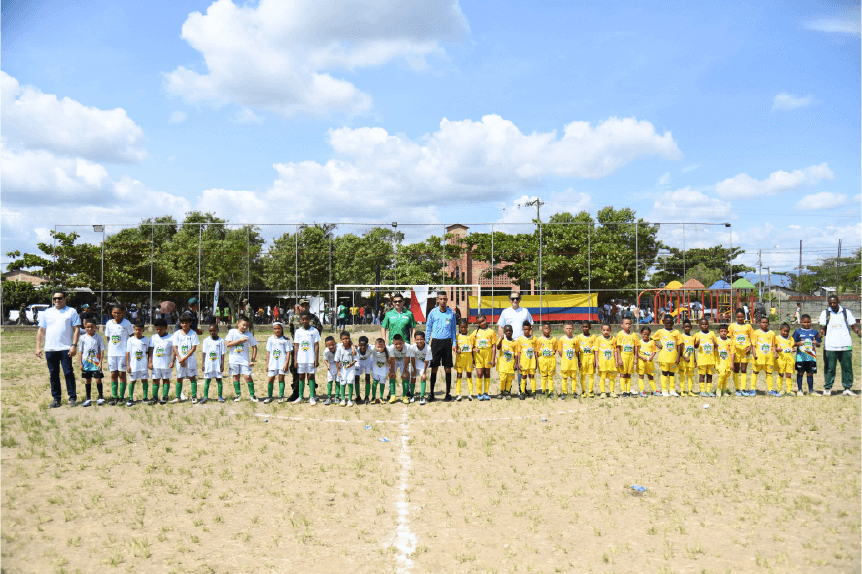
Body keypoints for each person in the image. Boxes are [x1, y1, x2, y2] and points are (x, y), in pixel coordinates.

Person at [818, 295, 861, 396]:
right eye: (830, 303)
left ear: (839, 302)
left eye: (834, 302)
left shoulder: (846, 312)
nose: (832, 305)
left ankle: (847, 388)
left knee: (847, 368)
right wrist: (820, 335)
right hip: (830, 346)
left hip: (845, 345)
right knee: (829, 368)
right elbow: (823, 328)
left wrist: (858, 332)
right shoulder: (825, 313)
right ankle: (828, 388)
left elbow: (853, 326)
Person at [496, 292, 533, 392]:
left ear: (520, 299)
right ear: (509, 300)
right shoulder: (505, 312)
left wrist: (530, 340)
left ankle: (522, 389)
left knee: (522, 367)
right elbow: (500, 326)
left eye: (517, 299)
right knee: (510, 366)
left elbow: (530, 326)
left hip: (522, 343)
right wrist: (502, 339)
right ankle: (508, 390)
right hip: (509, 343)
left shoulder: (525, 311)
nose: (515, 301)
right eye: (513, 299)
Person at [287, 299, 322, 402]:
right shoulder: (293, 317)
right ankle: (296, 392)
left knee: (311, 372)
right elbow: (291, 330)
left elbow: (319, 329)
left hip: (310, 349)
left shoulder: (314, 318)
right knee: (295, 370)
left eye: (307, 305)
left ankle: (312, 393)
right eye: (303, 305)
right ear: (299, 307)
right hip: (298, 347)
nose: (305, 307)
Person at [426, 291, 456, 401]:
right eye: (441, 299)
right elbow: (428, 328)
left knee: (448, 368)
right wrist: (426, 342)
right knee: (434, 367)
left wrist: (454, 343)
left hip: (447, 342)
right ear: (437, 300)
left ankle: (448, 393)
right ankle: (432, 393)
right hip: (436, 342)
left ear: (447, 300)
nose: (443, 301)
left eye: (445, 299)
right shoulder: (433, 313)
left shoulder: (451, 313)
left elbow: (453, 329)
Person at [105, 304, 134, 406]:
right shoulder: (109, 323)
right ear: (111, 313)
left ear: (123, 313)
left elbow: (131, 337)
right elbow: (108, 338)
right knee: (113, 374)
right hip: (112, 353)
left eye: (118, 313)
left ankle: (121, 396)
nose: (116, 314)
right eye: (114, 312)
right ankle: (114, 396)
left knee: (122, 374)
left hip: (122, 353)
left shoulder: (126, 323)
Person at [225, 315, 258, 402]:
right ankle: (238, 395)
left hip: (244, 360)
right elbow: (227, 344)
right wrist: (239, 341)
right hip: (234, 359)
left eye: (247, 326)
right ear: (238, 323)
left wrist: (253, 360)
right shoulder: (232, 332)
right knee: (236, 377)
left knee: (247, 376)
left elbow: (254, 347)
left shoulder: (248, 334)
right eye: (243, 325)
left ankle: (252, 395)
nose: (245, 327)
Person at [292, 311, 320, 405]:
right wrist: (295, 359)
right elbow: (296, 346)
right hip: (301, 358)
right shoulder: (298, 331)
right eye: (303, 319)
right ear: (301, 320)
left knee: (311, 376)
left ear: (309, 320)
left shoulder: (314, 331)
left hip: (310, 358)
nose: (305, 321)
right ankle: (301, 396)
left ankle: (312, 396)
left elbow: (316, 345)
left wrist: (316, 359)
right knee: (301, 376)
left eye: (307, 319)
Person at [172, 313, 200, 403]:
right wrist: (180, 358)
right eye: (183, 323)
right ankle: (178, 396)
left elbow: (194, 348)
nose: (185, 325)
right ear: (180, 324)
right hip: (180, 360)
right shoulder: (176, 334)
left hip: (190, 359)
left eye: (186, 323)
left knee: (192, 377)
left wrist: (185, 358)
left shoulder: (193, 334)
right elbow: (175, 348)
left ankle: (194, 396)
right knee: (179, 378)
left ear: (190, 323)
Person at [78, 317, 105, 407]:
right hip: (86, 363)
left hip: (96, 363)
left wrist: (100, 362)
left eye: (91, 327)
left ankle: (100, 397)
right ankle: (88, 398)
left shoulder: (99, 337)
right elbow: (80, 351)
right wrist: (80, 363)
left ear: (95, 327)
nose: (89, 329)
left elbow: (102, 350)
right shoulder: (82, 338)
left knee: (98, 379)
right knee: (88, 380)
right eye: (87, 327)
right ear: (85, 327)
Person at [652, 315, 681, 397]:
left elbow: (679, 345)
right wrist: (658, 345)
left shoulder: (676, 332)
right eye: (667, 323)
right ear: (663, 322)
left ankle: (672, 390)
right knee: (664, 372)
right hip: (664, 357)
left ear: (673, 322)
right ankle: (664, 390)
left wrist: (678, 356)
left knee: (672, 373)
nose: (669, 324)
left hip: (673, 357)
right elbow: (652, 339)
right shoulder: (660, 331)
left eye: (671, 323)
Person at [264, 322, 292, 404]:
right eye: (275, 329)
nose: (277, 330)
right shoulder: (270, 339)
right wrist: (267, 364)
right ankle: (269, 396)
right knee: (270, 379)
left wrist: (286, 364)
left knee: (281, 378)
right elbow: (268, 352)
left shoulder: (286, 339)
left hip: (281, 363)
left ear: (282, 329)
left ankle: (281, 396)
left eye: (278, 328)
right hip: (273, 363)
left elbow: (288, 352)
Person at [792, 314, 821, 396]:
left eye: (808, 322)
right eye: (804, 322)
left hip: (811, 357)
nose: (806, 324)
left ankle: (811, 390)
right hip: (800, 357)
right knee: (800, 373)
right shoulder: (798, 332)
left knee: (810, 373)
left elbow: (818, 344)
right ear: (801, 322)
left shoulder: (814, 332)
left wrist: (816, 343)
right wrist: (798, 343)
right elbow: (792, 343)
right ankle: (800, 390)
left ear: (810, 322)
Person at [729, 309, 755, 396]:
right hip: (735, 351)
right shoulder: (732, 326)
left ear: (745, 317)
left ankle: (743, 389)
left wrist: (750, 347)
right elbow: (728, 338)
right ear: (735, 317)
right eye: (738, 317)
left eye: (742, 317)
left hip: (745, 351)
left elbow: (753, 338)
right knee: (736, 369)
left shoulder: (748, 326)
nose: (740, 318)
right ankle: (737, 388)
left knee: (743, 369)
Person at [148, 318, 174, 405]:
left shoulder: (171, 338)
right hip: (156, 364)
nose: (158, 331)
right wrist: (150, 362)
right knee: (155, 380)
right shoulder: (153, 337)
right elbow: (150, 351)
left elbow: (174, 351)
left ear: (165, 328)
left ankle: (165, 396)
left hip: (166, 363)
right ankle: (155, 397)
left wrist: (172, 361)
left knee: (166, 380)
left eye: (160, 329)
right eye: (157, 329)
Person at [125, 320, 151, 407]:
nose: (137, 331)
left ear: (143, 330)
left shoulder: (146, 340)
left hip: (143, 365)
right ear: (134, 330)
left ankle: (145, 397)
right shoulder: (130, 340)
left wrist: (149, 362)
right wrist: (128, 365)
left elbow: (148, 352)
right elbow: (128, 353)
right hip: (133, 365)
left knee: (144, 380)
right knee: (132, 381)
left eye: (139, 330)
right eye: (136, 330)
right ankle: (130, 398)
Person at [472, 315, 497, 401]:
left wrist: (493, 359)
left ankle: (486, 393)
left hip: (488, 355)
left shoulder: (491, 331)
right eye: (479, 322)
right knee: (479, 373)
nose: (481, 323)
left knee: (487, 373)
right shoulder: (475, 332)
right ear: (477, 323)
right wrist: (474, 351)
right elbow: (471, 346)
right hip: (478, 356)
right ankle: (479, 393)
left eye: (483, 321)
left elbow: (494, 346)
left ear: (486, 320)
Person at [201, 321, 226, 404]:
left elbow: (222, 353)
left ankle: (220, 396)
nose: (212, 332)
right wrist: (203, 363)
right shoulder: (206, 340)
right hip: (209, 364)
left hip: (217, 364)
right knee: (207, 380)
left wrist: (222, 364)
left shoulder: (221, 341)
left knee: (219, 380)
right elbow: (204, 353)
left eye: (214, 330)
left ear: (217, 330)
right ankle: (205, 397)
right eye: (210, 331)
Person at [751, 317, 777, 396]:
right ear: (759, 323)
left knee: (769, 373)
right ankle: (752, 389)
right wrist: (754, 353)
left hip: (769, 357)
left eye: (766, 322)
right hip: (759, 357)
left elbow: (774, 345)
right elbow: (753, 344)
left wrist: (775, 353)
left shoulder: (772, 333)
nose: (764, 324)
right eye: (763, 322)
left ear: (768, 323)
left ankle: (770, 389)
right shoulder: (756, 333)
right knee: (755, 372)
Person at [693, 318, 718, 397]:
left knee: (710, 375)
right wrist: (697, 343)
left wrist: (715, 344)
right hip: (702, 359)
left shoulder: (712, 333)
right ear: (700, 326)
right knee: (702, 375)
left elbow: (716, 345)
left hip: (711, 359)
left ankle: (709, 390)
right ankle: (702, 390)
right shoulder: (697, 335)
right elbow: (695, 347)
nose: (705, 326)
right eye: (703, 324)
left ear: (708, 324)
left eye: (706, 324)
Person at [615, 318, 639, 397]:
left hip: (630, 357)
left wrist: (635, 357)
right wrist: (619, 359)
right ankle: (623, 391)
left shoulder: (634, 335)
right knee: (622, 374)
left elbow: (636, 347)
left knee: (629, 374)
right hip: (623, 356)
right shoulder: (619, 334)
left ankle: (628, 391)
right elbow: (618, 347)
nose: (628, 325)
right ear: (622, 325)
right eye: (626, 323)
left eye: (629, 323)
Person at [454, 318, 476, 401]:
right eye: (461, 327)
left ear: (467, 327)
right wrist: (457, 350)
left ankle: (471, 393)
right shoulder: (457, 337)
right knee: (459, 375)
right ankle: (458, 394)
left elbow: (473, 348)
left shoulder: (471, 336)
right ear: (459, 327)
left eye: (465, 327)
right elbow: (455, 347)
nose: (463, 329)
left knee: (469, 375)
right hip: (460, 359)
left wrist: (474, 356)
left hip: (469, 359)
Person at [387, 334, 412, 404]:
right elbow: (392, 360)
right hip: (394, 361)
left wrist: (405, 371)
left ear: (403, 342)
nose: (398, 346)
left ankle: (405, 395)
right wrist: (392, 372)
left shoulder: (408, 347)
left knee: (405, 376)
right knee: (392, 376)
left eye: (400, 344)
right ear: (393, 343)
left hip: (403, 361)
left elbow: (407, 359)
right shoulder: (391, 348)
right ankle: (392, 395)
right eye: (396, 344)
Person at [516, 321, 538, 399]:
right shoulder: (520, 339)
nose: (526, 331)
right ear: (522, 329)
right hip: (523, 362)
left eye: (528, 329)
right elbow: (518, 352)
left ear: (530, 329)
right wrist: (518, 363)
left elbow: (535, 352)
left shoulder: (534, 339)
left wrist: (537, 363)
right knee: (523, 376)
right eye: (525, 329)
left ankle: (534, 392)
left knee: (532, 376)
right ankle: (522, 392)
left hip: (532, 362)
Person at [336, 332, 358, 406]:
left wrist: (352, 364)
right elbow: (337, 360)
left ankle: (350, 400)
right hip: (343, 369)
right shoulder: (339, 349)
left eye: (347, 338)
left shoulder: (352, 349)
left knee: (350, 383)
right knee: (342, 383)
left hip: (351, 369)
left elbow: (356, 358)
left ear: (349, 339)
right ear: (341, 340)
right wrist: (338, 371)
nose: (345, 340)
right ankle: (342, 399)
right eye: (343, 339)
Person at [557, 321, 578, 399]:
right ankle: (564, 392)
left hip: (573, 363)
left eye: (570, 328)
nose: (569, 330)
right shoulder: (561, 339)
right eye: (567, 328)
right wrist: (565, 358)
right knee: (564, 377)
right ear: (564, 329)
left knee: (573, 377)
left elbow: (577, 351)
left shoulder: (576, 339)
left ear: (573, 329)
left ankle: (574, 392)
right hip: (565, 363)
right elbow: (560, 352)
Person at [410, 332, 432, 405]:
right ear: (414, 340)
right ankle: (412, 395)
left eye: (421, 339)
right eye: (417, 339)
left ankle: (422, 396)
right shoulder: (412, 347)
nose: (419, 341)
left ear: (424, 339)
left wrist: (424, 372)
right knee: (413, 377)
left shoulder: (428, 348)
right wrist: (414, 370)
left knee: (423, 377)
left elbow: (426, 361)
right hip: (415, 364)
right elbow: (412, 359)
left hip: (424, 365)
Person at [595, 323, 617, 398]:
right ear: (601, 330)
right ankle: (603, 392)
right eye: (604, 330)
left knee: (612, 378)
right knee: (602, 378)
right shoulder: (599, 339)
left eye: (607, 330)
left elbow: (616, 351)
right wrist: (597, 362)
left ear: (610, 330)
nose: (605, 331)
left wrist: (616, 361)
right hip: (602, 363)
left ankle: (612, 392)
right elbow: (596, 351)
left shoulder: (613, 339)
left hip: (611, 363)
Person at [496, 325, 517, 400]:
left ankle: (508, 392)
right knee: (502, 379)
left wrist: (516, 364)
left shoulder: (515, 342)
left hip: (511, 364)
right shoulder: (502, 340)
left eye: (510, 331)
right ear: (504, 332)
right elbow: (498, 348)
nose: (508, 332)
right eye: (506, 331)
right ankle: (501, 391)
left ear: (512, 332)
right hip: (502, 364)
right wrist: (501, 340)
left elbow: (516, 354)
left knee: (509, 379)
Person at [576, 321, 597, 397]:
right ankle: (583, 391)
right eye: (583, 327)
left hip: (591, 357)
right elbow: (577, 351)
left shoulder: (594, 337)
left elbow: (596, 350)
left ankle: (591, 391)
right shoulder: (578, 337)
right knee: (583, 375)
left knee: (591, 375)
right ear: (581, 327)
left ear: (590, 327)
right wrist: (579, 361)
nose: (585, 328)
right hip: (582, 357)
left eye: (586, 327)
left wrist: (595, 360)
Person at [774, 323, 795, 396]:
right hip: (781, 359)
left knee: (788, 375)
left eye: (787, 331)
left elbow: (792, 347)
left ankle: (789, 390)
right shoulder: (776, 338)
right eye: (784, 331)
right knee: (781, 374)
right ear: (780, 330)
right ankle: (780, 389)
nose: (786, 333)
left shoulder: (791, 338)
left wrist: (793, 349)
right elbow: (773, 348)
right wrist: (777, 350)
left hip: (789, 359)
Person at [537, 323, 558, 397]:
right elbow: (537, 351)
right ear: (542, 329)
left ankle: (551, 392)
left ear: (550, 330)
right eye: (545, 328)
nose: (547, 329)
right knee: (544, 376)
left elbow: (555, 350)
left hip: (551, 360)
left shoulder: (554, 339)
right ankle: (543, 391)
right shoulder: (539, 339)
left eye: (548, 328)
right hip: (542, 360)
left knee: (550, 376)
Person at [636, 326, 657, 396]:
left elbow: (654, 351)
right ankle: (642, 391)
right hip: (641, 362)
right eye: (644, 334)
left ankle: (655, 390)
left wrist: (651, 356)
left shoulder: (652, 342)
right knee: (641, 376)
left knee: (650, 376)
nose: (646, 336)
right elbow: (636, 352)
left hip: (649, 362)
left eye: (648, 335)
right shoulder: (638, 342)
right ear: (641, 333)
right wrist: (642, 357)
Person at [715, 324, 735, 397]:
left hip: (727, 362)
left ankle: (724, 390)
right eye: (721, 331)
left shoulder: (730, 341)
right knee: (722, 374)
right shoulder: (716, 340)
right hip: (719, 362)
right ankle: (718, 389)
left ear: (727, 332)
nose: (723, 333)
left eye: (725, 331)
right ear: (718, 332)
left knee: (726, 376)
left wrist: (732, 363)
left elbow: (732, 352)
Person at [679, 320, 697, 397]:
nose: (687, 328)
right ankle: (682, 391)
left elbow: (693, 350)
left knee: (690, 376)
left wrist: (695, 360)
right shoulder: (681, 337)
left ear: (691, 327)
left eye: (689, 326)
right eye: (686, 327)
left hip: (691, 361)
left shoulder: (693, 337)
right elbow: (678, 349)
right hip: (683, 361)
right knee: (682, 375)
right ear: (683, 327)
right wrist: (684, 357)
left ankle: (690, 390)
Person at [370, 338, 390, 404]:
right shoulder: (373, 350)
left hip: (383, 371)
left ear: (384, 346)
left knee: (382, 383)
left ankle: (381, 397)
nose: (380, 348)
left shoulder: (387, 351)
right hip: (375, 370)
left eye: (381, 347)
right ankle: (373, 397)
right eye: (378, 347)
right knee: (375, 382)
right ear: (375, 346)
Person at [322, 336, 339, 405]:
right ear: (326, 345)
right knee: (330, 381)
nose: (331, 346)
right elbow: (325, 359)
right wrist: (327, 365)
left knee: (338, 381)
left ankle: (337, 397)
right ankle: (329, 397)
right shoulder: (326, 351)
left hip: (338, 366)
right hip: (331, 366)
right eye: (329, 345)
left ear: (335, 343)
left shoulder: (339, 347)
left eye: (333, 344)